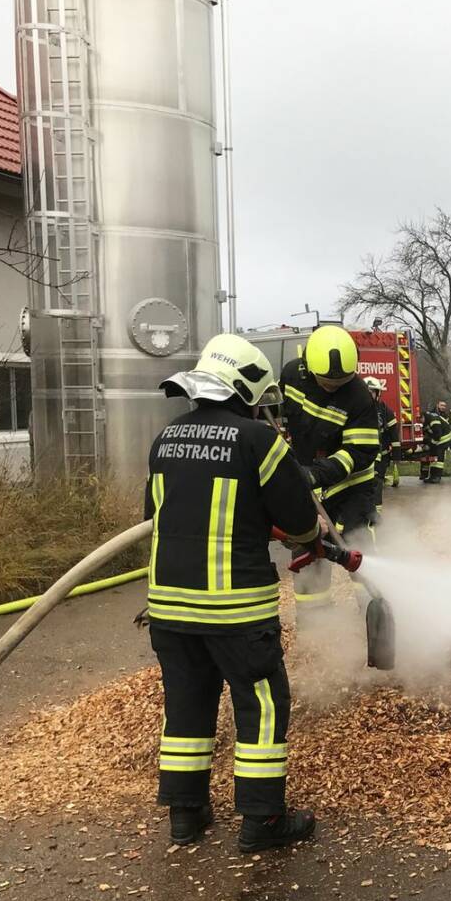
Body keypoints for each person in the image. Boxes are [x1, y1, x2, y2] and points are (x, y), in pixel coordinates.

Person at [144, 333, 321, 852]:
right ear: (245, 389)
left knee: (186, 704)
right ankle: (262, 821)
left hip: (169, 606)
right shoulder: (258, 441)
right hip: (235, 608)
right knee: (262, 705)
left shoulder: (166, 437)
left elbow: (155, 516)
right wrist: (303, 538)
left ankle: (186, 815)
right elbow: (299, 520)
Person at [278, 325, 382, 618]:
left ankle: (370, 612)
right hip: (306, 479)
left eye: (341, 382)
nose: (333, 387)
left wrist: (316, 473)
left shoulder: (360, 397)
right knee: (306, 548)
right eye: (326, 382)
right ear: (308, 368)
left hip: (351, 484)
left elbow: (360, 452)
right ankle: (315, 623)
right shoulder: (290, 376)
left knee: (357, 544)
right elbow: (279, 415)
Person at [364, 376, 400, 515]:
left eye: (372, 392)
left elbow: (394, 435)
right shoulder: (356, 409)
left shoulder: (385, 411)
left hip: (381, 457)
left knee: (377, 484)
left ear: (378, 393)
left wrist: (396, 455)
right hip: (362, 456)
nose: (369, 395)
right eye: (367, 392)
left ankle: (376, 514)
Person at [422, 399, 451, 483]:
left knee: (439, 456)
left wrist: (430, 444)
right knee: (433, 456)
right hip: (439, 438)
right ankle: (432, 476)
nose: (421, 422)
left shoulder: (433, 420)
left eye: (421, 420)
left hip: (445, 438)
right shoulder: (428, 418)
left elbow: (437, 436)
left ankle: (437, 477)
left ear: (423, 417)